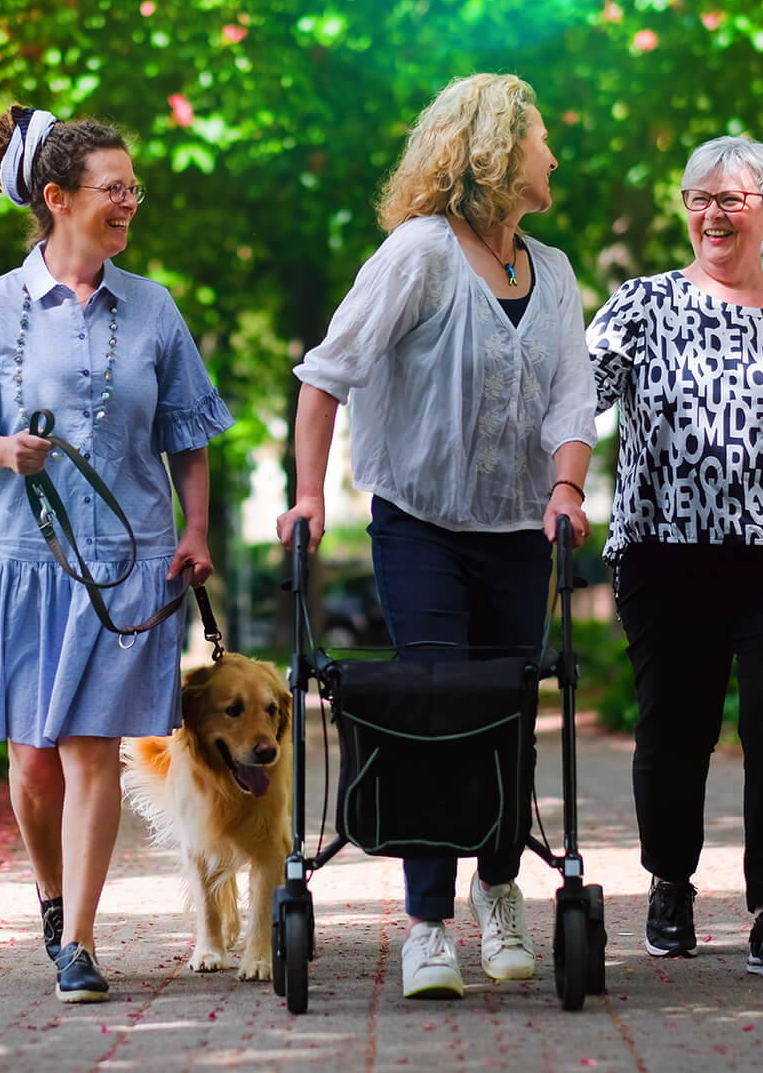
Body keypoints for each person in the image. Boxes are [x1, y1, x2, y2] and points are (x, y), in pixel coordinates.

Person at [273, 73, 596, 1000]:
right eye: (540, 140)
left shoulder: (558, 270)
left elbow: (573, 396)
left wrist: (568, 484)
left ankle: (500, 895)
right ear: (497, 150)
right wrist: (309, 495)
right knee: (434, 708)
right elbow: (327, 375)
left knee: (508, 711)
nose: (554, 156)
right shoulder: (418, 255)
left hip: (516, 529)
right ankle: (426, 925)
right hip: (419, 525)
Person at [0, 105, 233, 1003]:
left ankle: (82, 944)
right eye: (113, 188)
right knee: (33, 759)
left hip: (126, 560)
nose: (129, 202)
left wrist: (195, 528)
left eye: (134, 187)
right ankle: (54, 900)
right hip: (19, 557)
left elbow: (189, 432)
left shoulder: (155, 308)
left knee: (94, 748)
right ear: (57, 199)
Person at [587, 136, 763, 981]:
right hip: (667, 553)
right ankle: (670, 881)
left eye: (732, 199)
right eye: (698, 197)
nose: (713, 212)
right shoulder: (641, 304)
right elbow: (573, 397)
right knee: (676, 730)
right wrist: (548, 479)